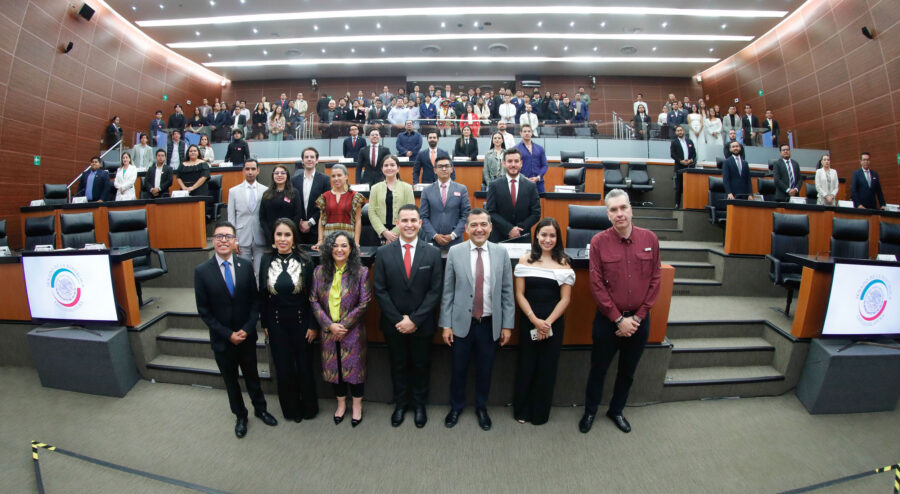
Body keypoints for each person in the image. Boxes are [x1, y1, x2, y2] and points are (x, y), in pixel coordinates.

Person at [579, 189, 661, 434]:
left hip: (639, 321)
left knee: (628, 371)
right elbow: (596, 285)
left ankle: (616, 410)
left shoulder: (650, 239)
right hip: (607, 321)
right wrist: (618, 319)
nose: (620, 213)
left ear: (631, 209)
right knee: (598, 369)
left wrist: (637, 317)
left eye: (623, 207)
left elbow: (656, 280)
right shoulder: (598, 242)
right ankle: (590, 411)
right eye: (614, 210)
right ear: (608, 214)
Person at [195, 221, 278, 438]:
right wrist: (227, 334)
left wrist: (247, 329)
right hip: (222, 340)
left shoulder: (245, 266)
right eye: (219, 236)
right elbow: (204, 311)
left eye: (228, 236)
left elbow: (255, 301)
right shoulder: (201, 271)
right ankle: (240, 416)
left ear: (235, 241)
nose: (223, 240)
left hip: (246, 336)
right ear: (213, 241)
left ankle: (260, 409)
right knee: (231, 381)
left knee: (252, 376)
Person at [440, 209, 515, 431]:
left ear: (490, 227)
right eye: (473, 225)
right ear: (466, 229)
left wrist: (507, 325)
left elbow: (507, 292)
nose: (479, 229)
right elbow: (448, 292)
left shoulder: (501, 253)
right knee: (458, 369)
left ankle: (481, 408)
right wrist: (446, 324)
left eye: (483, 224)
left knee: (485, 370)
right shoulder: (455, 252)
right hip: (461, 323)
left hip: (489, 324)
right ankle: (456, 407)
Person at [373, 205, 443, 428]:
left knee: (421, 365)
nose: (409, 224)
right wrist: (399, 320)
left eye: (413, 220)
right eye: (404, 220)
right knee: (398, 365)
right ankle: (401, 404)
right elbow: (380, 290)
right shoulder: (383, 253)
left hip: (422, 324)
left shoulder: (432, 253)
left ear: (420, 223)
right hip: (393, 324)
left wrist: (414, 320)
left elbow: (435, 291)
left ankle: (420, 405)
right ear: (397, 223)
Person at [513, 218, 574, 425]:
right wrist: (534, 320)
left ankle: (540, 413)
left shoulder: (564, 263)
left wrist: (547, 323)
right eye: (544, 234)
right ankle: (522, 410)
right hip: (529, 320)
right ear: (536, 236)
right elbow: (519, 294)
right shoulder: (525, 260)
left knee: (547, 368)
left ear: (558, 238)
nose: (548, 239)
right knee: (526, 365)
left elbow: (565, 299)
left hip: (553, 323)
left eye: (552, 235)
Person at [259, 219, 319, 422]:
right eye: (279, 234)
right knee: (283, 368)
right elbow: (262, 295)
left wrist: (313, 325)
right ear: (273, 238)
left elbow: (313, 296)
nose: (282, 239)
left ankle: (309, 408)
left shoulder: (305, 260)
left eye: (287, 235)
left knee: (304, 367)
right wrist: (265, 324)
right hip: (276, 323)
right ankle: (291, 410)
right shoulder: (265, 259)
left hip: (302, 322)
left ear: (294, 238)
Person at [309, 231, 372, 427]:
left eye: (344, 245)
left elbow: (365, 302)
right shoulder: (319, 272)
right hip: (328, 331)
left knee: (355, 370)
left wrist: (343, 325)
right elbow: (313, 299)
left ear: (351, 249)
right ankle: (341, 404)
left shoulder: (361, 272)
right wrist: (329, 325)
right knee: (334, 368)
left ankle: (357, 406)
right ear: (329, 249)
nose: (339, 249)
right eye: (335, 245)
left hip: (352, 331)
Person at [485, 148, 541, 243]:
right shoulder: (494, 185)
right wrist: (509, 229)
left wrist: (519, 229)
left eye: (516, 161)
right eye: (510, 161)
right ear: (504, 163)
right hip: (499, 237)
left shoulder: (531, 186)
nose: (513, 165)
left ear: (521, 163)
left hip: (523, 237)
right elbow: (491, 212)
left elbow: (536, 213)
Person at [228, 159, 268, 276]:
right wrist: (233, 239)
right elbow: (231, 218)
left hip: (260, 237)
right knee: (243, 274)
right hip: (241, 238)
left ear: (258, 171)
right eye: (247, 169)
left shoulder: (265, 190)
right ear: (243, 171)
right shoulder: (233, 191)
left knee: (260, 273)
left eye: (253, 169)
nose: (250, 172)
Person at [420, 156, 471, 249]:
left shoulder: (462, 189)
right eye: (440, 166)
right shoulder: (427, 190)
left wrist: (453, 235)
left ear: (452, 169)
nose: (444, 169)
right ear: (435, 170)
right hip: (432, 242)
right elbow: (423, 217)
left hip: (455, 241)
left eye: (447, 166)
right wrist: (435, 235)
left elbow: (466, 215)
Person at [315, 164, 366, 248]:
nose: (336, 178)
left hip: (347, 239)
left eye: (339, 175)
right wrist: (320, 241)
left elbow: (358, 221)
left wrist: (356, 242)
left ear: (346, 176)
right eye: (333, 176)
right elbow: (321, 220)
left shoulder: (355, 196)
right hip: (329, 238)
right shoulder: (324, 197)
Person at [368, 155, 415, 245]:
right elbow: (371, 212)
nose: (389, 168)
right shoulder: (375, 188)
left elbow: (410, 212)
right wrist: (384, 232)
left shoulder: (407, 188)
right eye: (386, 165)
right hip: (379, 233)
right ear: (382, 169)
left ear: (398, 168)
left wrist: (393, 234)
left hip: (402, 232)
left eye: (392, 165)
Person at [291, 147, 331, 245]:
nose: (309, 159)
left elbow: (326, 204)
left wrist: (310, 223)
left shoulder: (325, 179)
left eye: (312, 157)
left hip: (317, 229)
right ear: (302, 161)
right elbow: (292, 203)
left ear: (317, 161)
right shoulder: (294, 180)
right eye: (306, 157)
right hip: (298, 229)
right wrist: (300, 222)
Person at [259, 165, 302, 245]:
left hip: (289, 236)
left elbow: (297, 215)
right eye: (276, 173)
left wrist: (289, 233)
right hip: (270, 237)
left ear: (287, 175)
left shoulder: (294, 193)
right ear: (273, 176)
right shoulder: (266, 194)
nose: (279, 175)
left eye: (282, 173)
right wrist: (270, 236)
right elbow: (262, 218)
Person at [514, 124, 548, 193]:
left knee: (540, 200)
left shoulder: (540, 148)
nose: (527, 133)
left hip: (538, 183)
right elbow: (514, 166)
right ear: (520, 133)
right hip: (522, 183)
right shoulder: (516, 149)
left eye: (529, 131)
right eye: (524, 131)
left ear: (532, 133)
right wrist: (523, 178)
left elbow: (545, 165)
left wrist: (538, 177)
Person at [670, 126, 696, 209]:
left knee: (690, 187)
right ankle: (677, 204)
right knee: (679, 187)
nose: (680, 132)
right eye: (678, 131)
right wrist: (680, 161)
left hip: (689, 167)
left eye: (681, 130)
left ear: (683, 131)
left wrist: (690, 160)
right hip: (679, 167)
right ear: (676, 133)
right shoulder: (674, 142)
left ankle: (689, 205)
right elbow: (672, 154)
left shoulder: (689, 141)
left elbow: (694, 153)